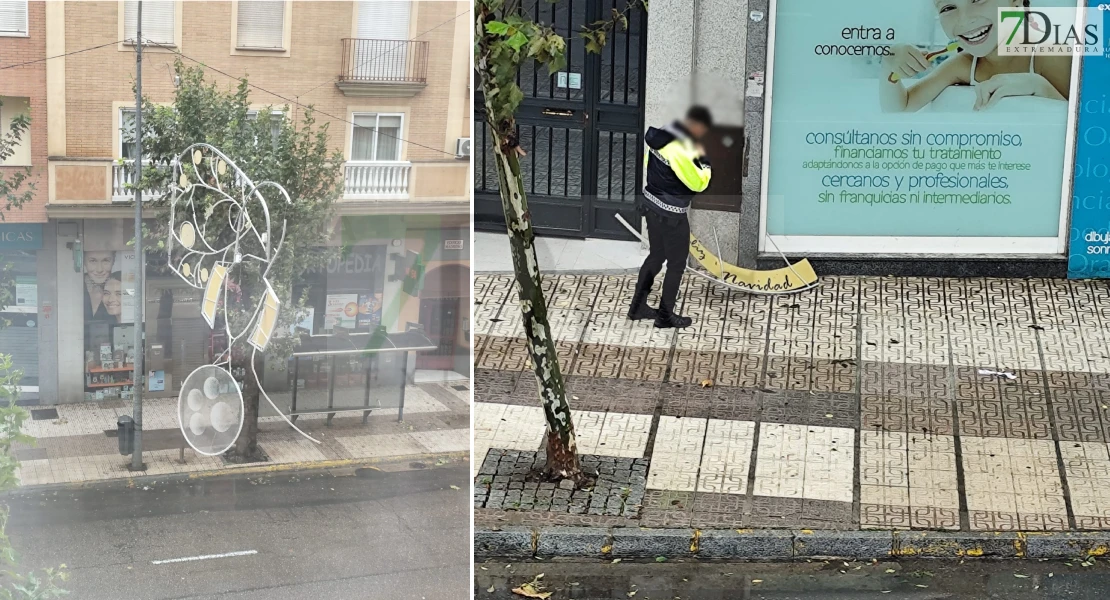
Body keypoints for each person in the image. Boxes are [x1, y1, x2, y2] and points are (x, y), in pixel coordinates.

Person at [880, 0, 1071, 113]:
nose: (964, 20)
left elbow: (1086, 128)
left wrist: (1038, 85)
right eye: (948, 8)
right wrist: (889, 63)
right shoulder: (963, 65)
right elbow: (901, 107)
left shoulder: (1051, 54)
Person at [627, 106, 713, 329]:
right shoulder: (682, 148)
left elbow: (649, 165)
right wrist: (705, 164)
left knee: (656, 255)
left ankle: (637, 306)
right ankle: (665, 316)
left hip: (651, 205)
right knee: (676, 264)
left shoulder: (663, 134)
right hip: (671, 213)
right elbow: (698, 183)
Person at [83, 250, 116, 321]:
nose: (99, 269)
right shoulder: (72, 285)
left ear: (113, 261)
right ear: (84, 261)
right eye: (93, 261)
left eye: (106, 261)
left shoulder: (122, 285)